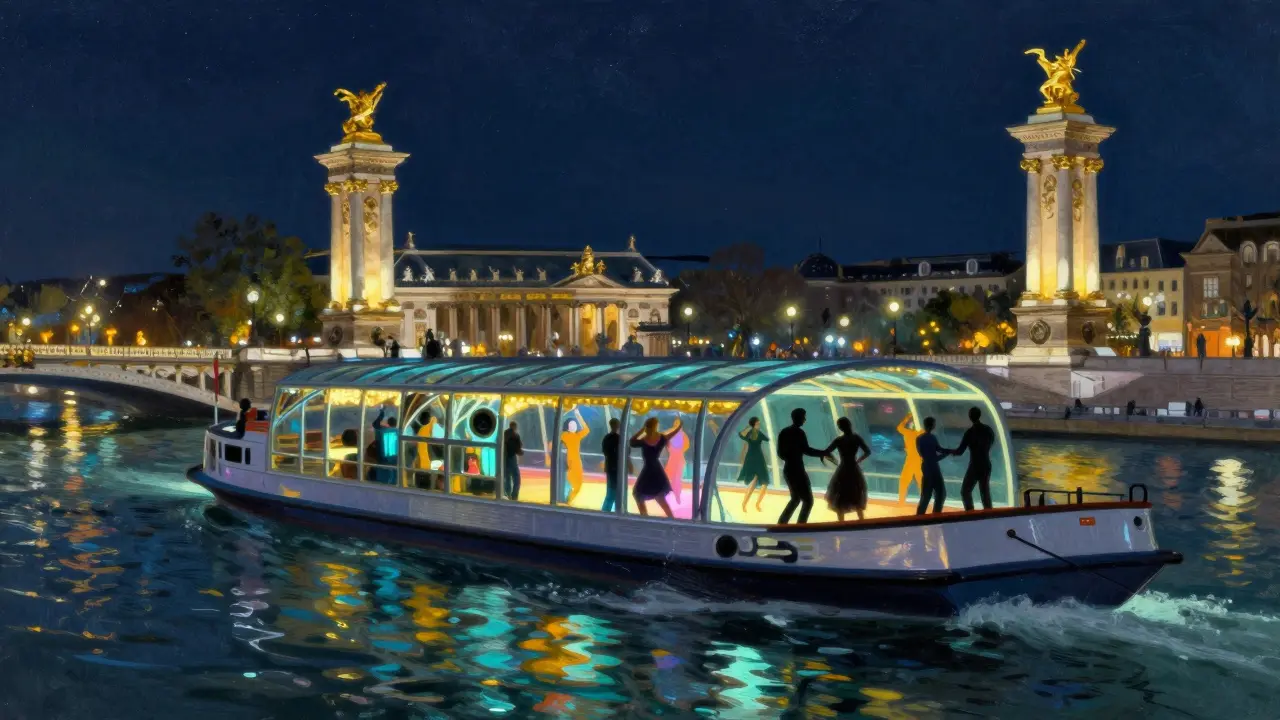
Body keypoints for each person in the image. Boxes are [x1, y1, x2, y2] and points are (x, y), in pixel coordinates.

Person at [775, 408, 833, 525]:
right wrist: (823, 453)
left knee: (795, 499)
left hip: (788, 469)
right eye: (804, 417)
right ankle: (800, 525)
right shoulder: (799, 433)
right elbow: (807, 450)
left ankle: (782, 524)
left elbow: (780, 454)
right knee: (808, 501)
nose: (805, 419)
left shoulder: (783, 432)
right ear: (799, 418)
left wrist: (790, 456)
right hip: (798, 470)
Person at [821, 417, 872, 521]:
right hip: (853, 468)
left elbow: (826, 452)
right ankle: (862, 522)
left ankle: (841, 522)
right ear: (849, 425)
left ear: (840, 427)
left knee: (841, 494)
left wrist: (835, 461)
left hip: (843, 469)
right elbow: (867, 452)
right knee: (856, 492)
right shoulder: (856, 438)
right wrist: (858, 460)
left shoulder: (839, 440)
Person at [630, 417, 682, 517]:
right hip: (657, 470)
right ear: (656, 426)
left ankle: (644, 518)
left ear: (647, 427)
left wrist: (641, 430)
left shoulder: (644, 440)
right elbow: (671, 435)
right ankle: (671, 519)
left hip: (649, 470)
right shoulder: (661, 438)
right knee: (659, 497)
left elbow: (632, 442)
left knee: (638, 494)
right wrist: (679, 427)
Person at [952, 407, 996, 511]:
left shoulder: (970, 432)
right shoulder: (988, 430)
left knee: (965, 491)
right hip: (986, 463)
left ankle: (970, 513)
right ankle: (989, 515)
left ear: (970, 416)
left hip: (975, 465)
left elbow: (960, 451)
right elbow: (991, 442)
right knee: (985, 492)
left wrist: (948, 451)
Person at [915, 417, 953, 515]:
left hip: (926, 468)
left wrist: (946, 452)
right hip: (934, 469)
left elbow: (924, 455)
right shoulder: (932, 437)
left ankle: (919, 517)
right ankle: (936, 515)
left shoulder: (919, 438)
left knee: (926, 495)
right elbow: (939, 451)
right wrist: (948, 452)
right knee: (940, 494)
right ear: (932, 425)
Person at [736, 417, 771, 512]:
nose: (759, 426)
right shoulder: (757, 434)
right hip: (758, 459)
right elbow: (768, 439)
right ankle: (755, 504)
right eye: (757, 424)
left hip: (752, 458)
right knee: (764, 482)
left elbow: (740, 435)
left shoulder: (749, 433)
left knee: (757, 482)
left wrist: (748, 428)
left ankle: (747, 503)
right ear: (754, 425)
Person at [560, 410, 589, 504]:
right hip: (572, 460)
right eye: (571, 424)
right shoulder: (564, 435)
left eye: (575, 424)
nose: (574, 426)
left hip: (576, 461)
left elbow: (586, 429)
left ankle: (568, 500)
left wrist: (578, 415)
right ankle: (566, 500)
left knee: (577, 484)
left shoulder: (577, 435)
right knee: (572, 482)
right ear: (567, 427)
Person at [896, 414, 923, 504]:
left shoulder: (908, 433)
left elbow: (899, 427)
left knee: (904, 481)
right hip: (918, 461)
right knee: (921, 483)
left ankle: (901, 501)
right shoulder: (921, 433)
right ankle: (923, 501)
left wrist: (907, 417)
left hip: (912, 460)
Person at [601, 418, 623, 512]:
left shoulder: (607, 438)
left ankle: (606, 510)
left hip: (610, 466)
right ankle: (608, 510)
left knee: (611, 489)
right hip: (616, 467)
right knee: (614, 490)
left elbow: (605, 452)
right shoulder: (619, 438)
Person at [665, 428, 688, 503]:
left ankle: (676, 494)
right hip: (674, 460)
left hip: (678, 460)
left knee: (676, 479)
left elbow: (686, 446)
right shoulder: (672, 434)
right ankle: (673, 493)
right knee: (672, 478)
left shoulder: (682, 435)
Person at [503, 421, 523, 500]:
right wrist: (520, 452)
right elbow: (518, 447)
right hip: (512, 458)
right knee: (516, 478)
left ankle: (507, 493)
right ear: (515, 427)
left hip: (505, 458)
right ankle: (514, 495)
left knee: (507, 477)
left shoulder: (504, 434)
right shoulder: (515, 435)